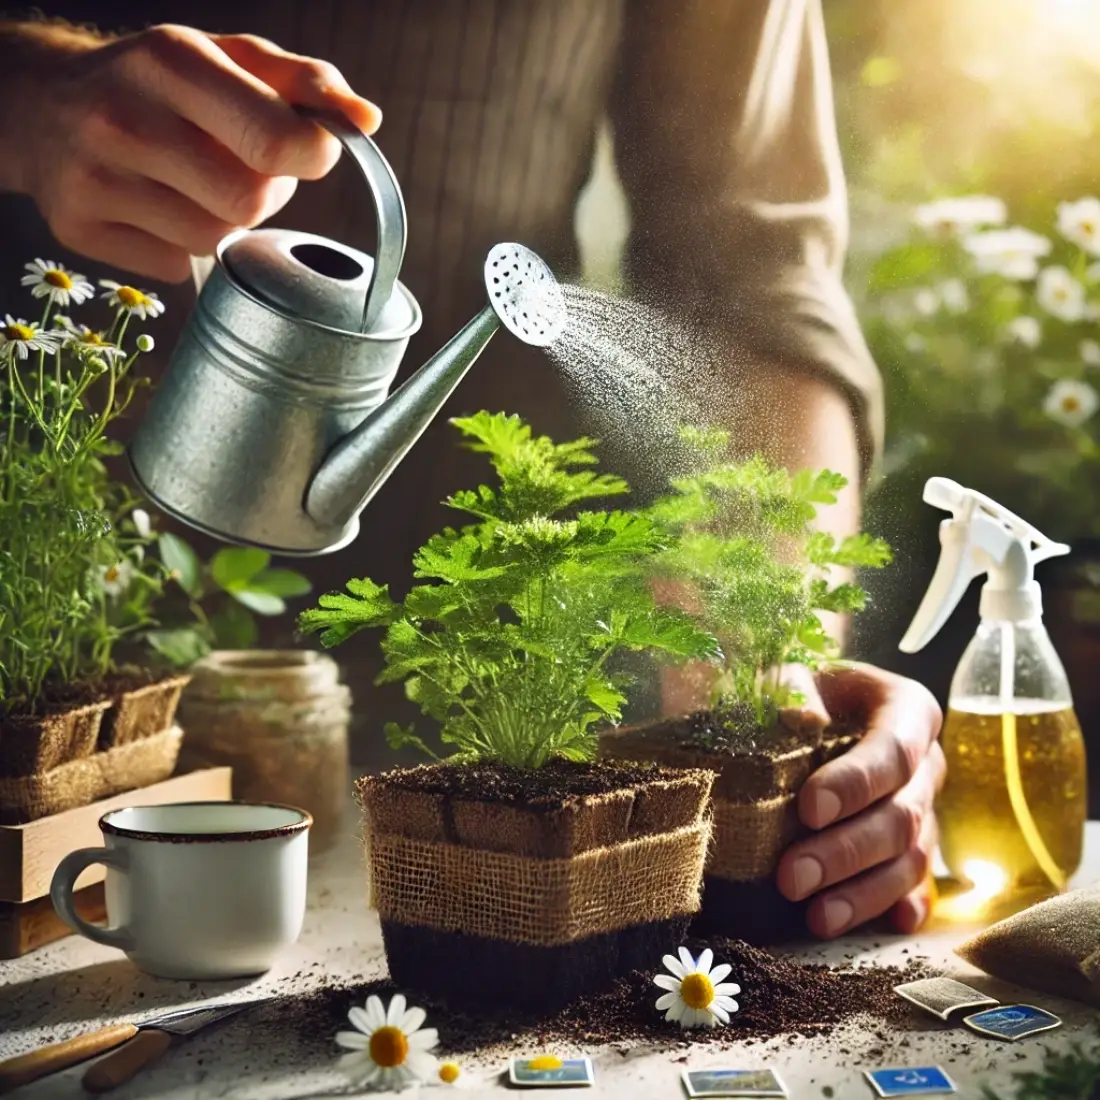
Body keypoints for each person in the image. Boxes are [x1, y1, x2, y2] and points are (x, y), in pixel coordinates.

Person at [0, 3, 945, 940]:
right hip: (46, 679)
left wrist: (762, 665)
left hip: (445, 746)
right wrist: (28, 96)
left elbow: (752, 277)